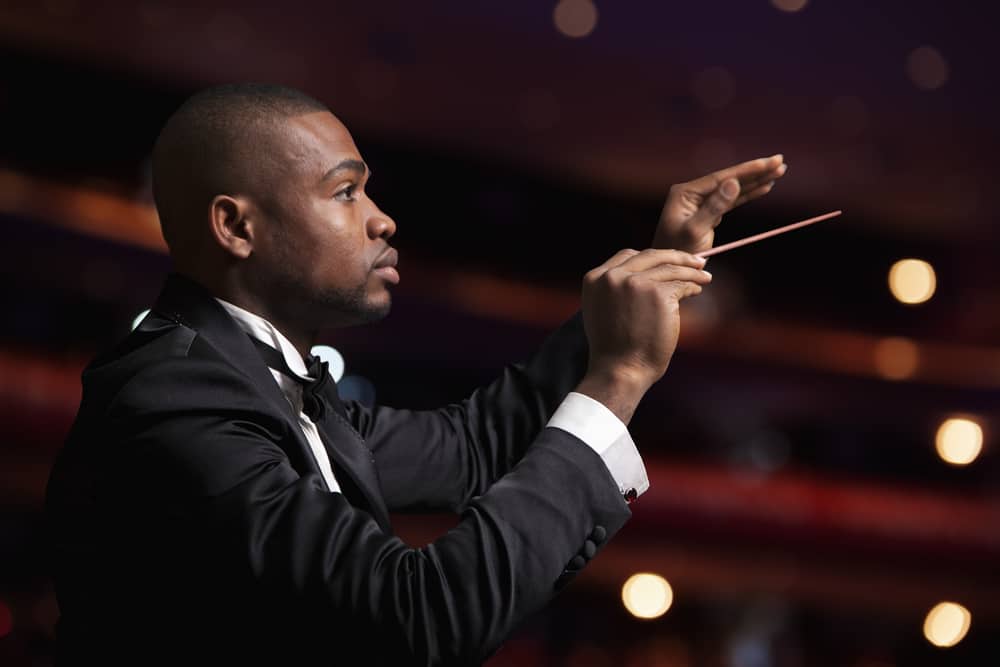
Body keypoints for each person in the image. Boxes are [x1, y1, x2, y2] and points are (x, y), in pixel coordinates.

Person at [44, 83, 786, 666]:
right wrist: (618, 379)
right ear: (236, 226)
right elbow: (419, 619)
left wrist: (660, 267)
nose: (382, 218)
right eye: (345, 192)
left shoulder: (259, 380)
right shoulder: (172, 398)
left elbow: (473, 444)